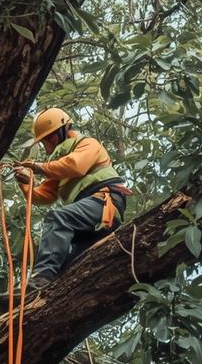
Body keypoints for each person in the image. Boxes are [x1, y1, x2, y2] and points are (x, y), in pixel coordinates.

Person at [11, 108, 130, 294]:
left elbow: (76, 165)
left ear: (63, 131)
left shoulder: (87, 144)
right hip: (89, 216)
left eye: (50, 137)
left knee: (59, 217)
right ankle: (37, 293)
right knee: (66, 268)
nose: (48, 143)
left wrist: (38, 167)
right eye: (46, 140)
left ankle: (41, 276)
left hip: (103, 201)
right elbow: (44, 195)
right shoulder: (57, 165)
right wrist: (26, 184)